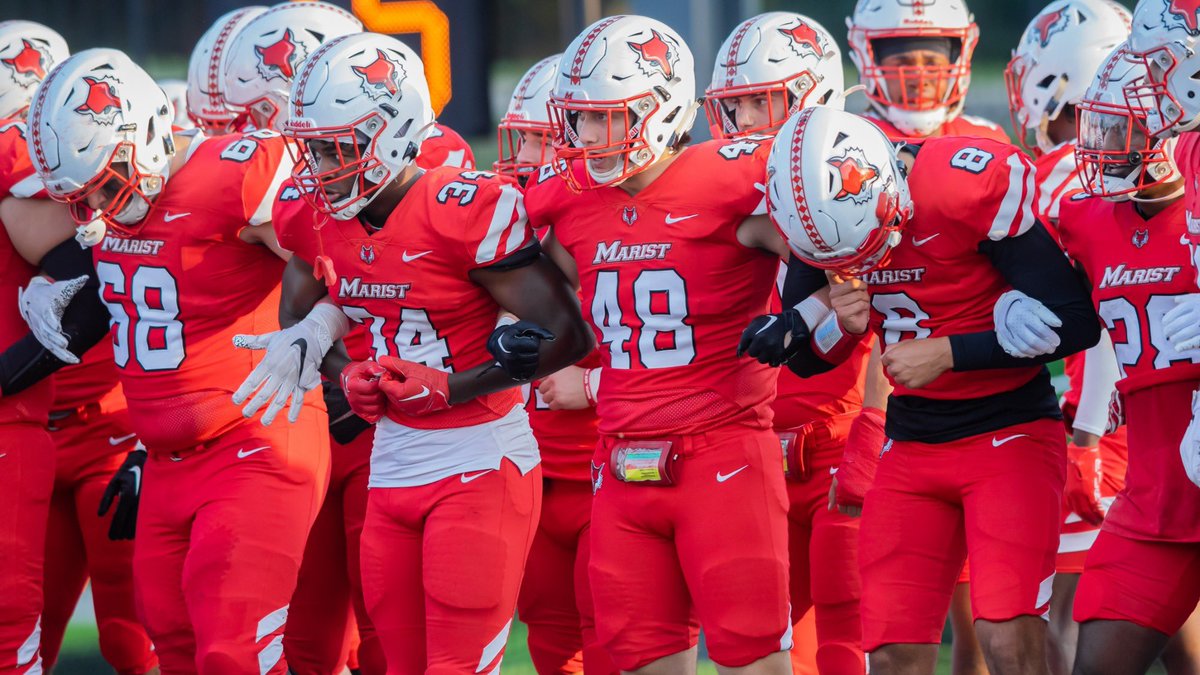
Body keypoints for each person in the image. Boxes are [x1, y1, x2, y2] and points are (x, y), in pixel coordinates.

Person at [251, 31, 591, 672]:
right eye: (312, 148)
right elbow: (298, 313)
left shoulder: (461, 210)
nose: (319, 166)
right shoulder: (319, 214)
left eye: (335, 146)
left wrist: (452, 386)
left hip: (480, 457)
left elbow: (567, 334)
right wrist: (342, 367)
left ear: (393, 131)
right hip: (393, 460)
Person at [752, 105, 1099, 675]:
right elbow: (809, 362)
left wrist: (952, 352)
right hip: (911, 443)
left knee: (1007, 637)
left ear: (886, 189)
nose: (854, 266)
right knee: (892, 653)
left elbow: (1077, 318)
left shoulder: (961, 187)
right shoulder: (815, 215)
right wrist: (847, 324)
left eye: (861, 249)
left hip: (1008, 431)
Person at [24, 47, 325, 674]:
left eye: (107, 181)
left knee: (234, 655)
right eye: (83, 197)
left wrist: (320, 336)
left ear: (149, 129)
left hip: (254, 443)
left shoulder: (238, 172)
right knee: (172, 653)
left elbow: (338, 268)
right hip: (162, 463)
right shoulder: (109, 205)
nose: (100, 208)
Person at [525, 14, 798, 674]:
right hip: (619, 464)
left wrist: (812, 313)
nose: (585, 135)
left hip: (723, 453)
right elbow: (523, 301)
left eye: (604, 117)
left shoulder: (737, 182)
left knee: (753, 660)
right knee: (638, 663)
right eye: (579, 118)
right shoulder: (568, 202)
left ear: (659, 108)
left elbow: (824, 262)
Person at [708, 12, 879, 674]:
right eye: (736, 103)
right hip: (750, 452)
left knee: (848, 642)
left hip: (836, 443)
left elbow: (884, 309)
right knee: (761, 648)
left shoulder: (850, 182)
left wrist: (873, 422)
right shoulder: (712, 191)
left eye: (764, 100)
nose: (746, 118)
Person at [1032, 37, 1200, 675]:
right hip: (1154, 498)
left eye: (1120, 130)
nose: (1101, 146)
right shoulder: (1085, 218)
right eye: (1096, 125)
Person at [1005, 4, 1134, 673]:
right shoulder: (1150, 160)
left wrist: (1084, 434)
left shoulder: (1064, 174)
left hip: (1101, 422)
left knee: (1083, 611)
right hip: (1150, 410)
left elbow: (1111, 303)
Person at [492, 52, 617, 675]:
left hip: (613, 466)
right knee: (548, 637)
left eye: (546, 141)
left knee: (615, 638)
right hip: (528, 466)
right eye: (527, 140)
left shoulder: (622, 220)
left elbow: (697, 349)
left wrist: (592, 383)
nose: (530, 159)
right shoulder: (492, 225)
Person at [846, 0, 1008, 144]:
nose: (919, 80)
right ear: (869, 62)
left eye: (932, 64)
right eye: (903, 64)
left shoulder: (988, 141)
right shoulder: (851, 142)